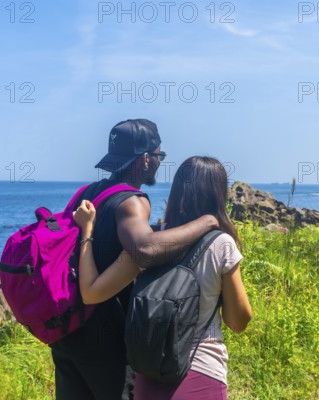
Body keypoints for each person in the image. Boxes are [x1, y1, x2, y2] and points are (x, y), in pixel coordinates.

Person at [50, 120, 220, 400]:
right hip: (107, 343)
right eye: (159, 155)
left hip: (68, 334)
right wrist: (207, 221)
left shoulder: (86, 193)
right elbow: (145, 249)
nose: (159, 162)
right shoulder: (133, 201)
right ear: (145, 160)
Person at [73, 156, 253, 400]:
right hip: (202, 372)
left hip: (150, 374)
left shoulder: (152, 243)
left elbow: (91, 292)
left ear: (178, 191)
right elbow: (238, 321)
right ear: (218, 194)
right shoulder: (221, 244)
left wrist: (88, 231)